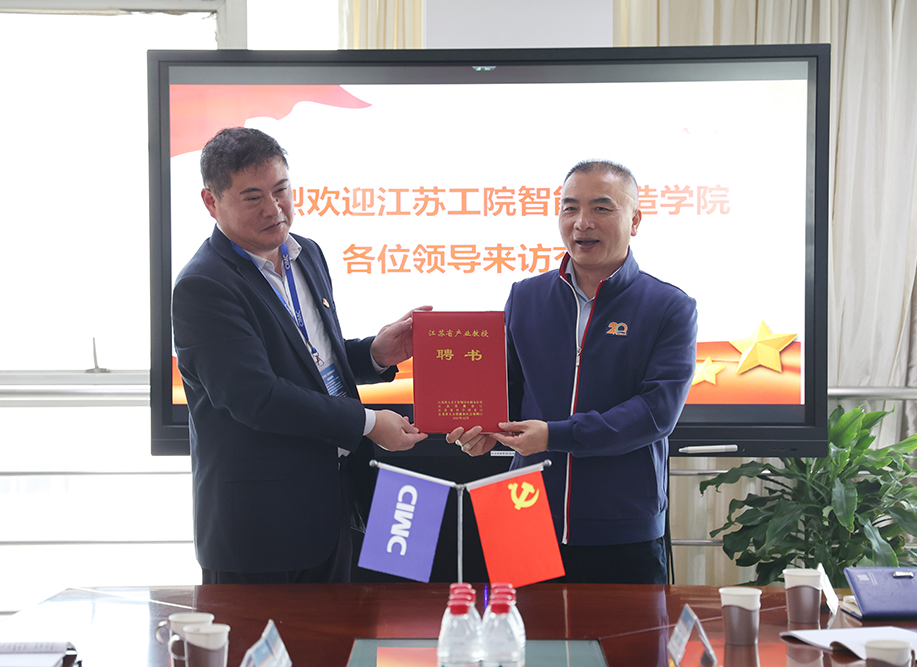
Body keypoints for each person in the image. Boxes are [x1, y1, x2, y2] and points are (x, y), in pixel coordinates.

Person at [173, 127, 429, 584]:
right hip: (260, 528)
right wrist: (367, 422)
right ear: (212, 202)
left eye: (281, 190)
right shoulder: (204, 286)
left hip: (332, 507)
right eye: (253, 197)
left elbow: (311, 363)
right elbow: (257, 397)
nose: (274, 209)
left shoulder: (306, 253)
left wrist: (374, 353)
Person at [447, 160, 697, 584]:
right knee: (521, 628)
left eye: (601, 208)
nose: (582, 223)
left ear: (635, 220)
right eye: (570, 208)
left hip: (622, 523)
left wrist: (556, 435)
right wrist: (483, 430)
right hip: (524, 508)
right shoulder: (525, 296)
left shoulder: (669, 306)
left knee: (625, 631)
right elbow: (506, 390)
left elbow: (656, 413)